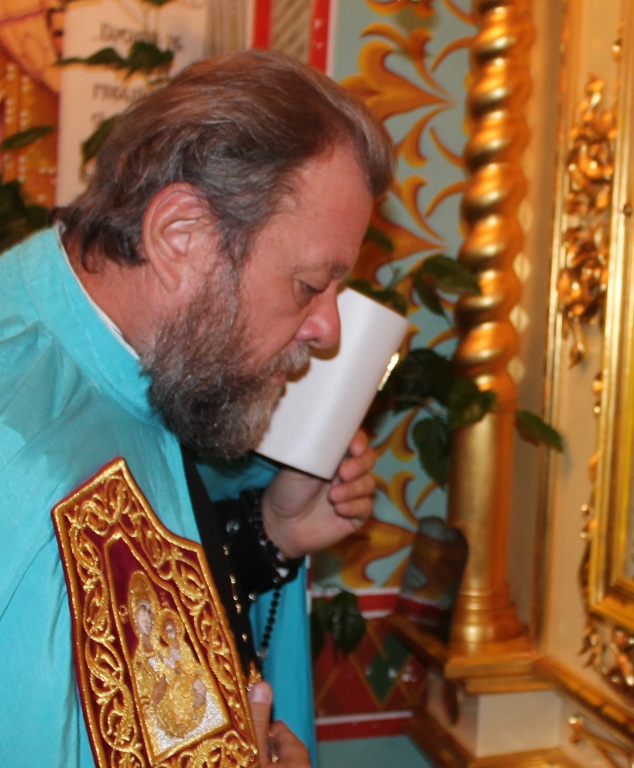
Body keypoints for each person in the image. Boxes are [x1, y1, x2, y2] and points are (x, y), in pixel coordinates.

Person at [0, 50, 393, 768]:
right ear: (180, 236)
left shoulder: (144, 360)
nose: (329, 329)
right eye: (309, 284)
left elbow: (122, 611)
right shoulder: (16, 437)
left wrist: (271, 532)